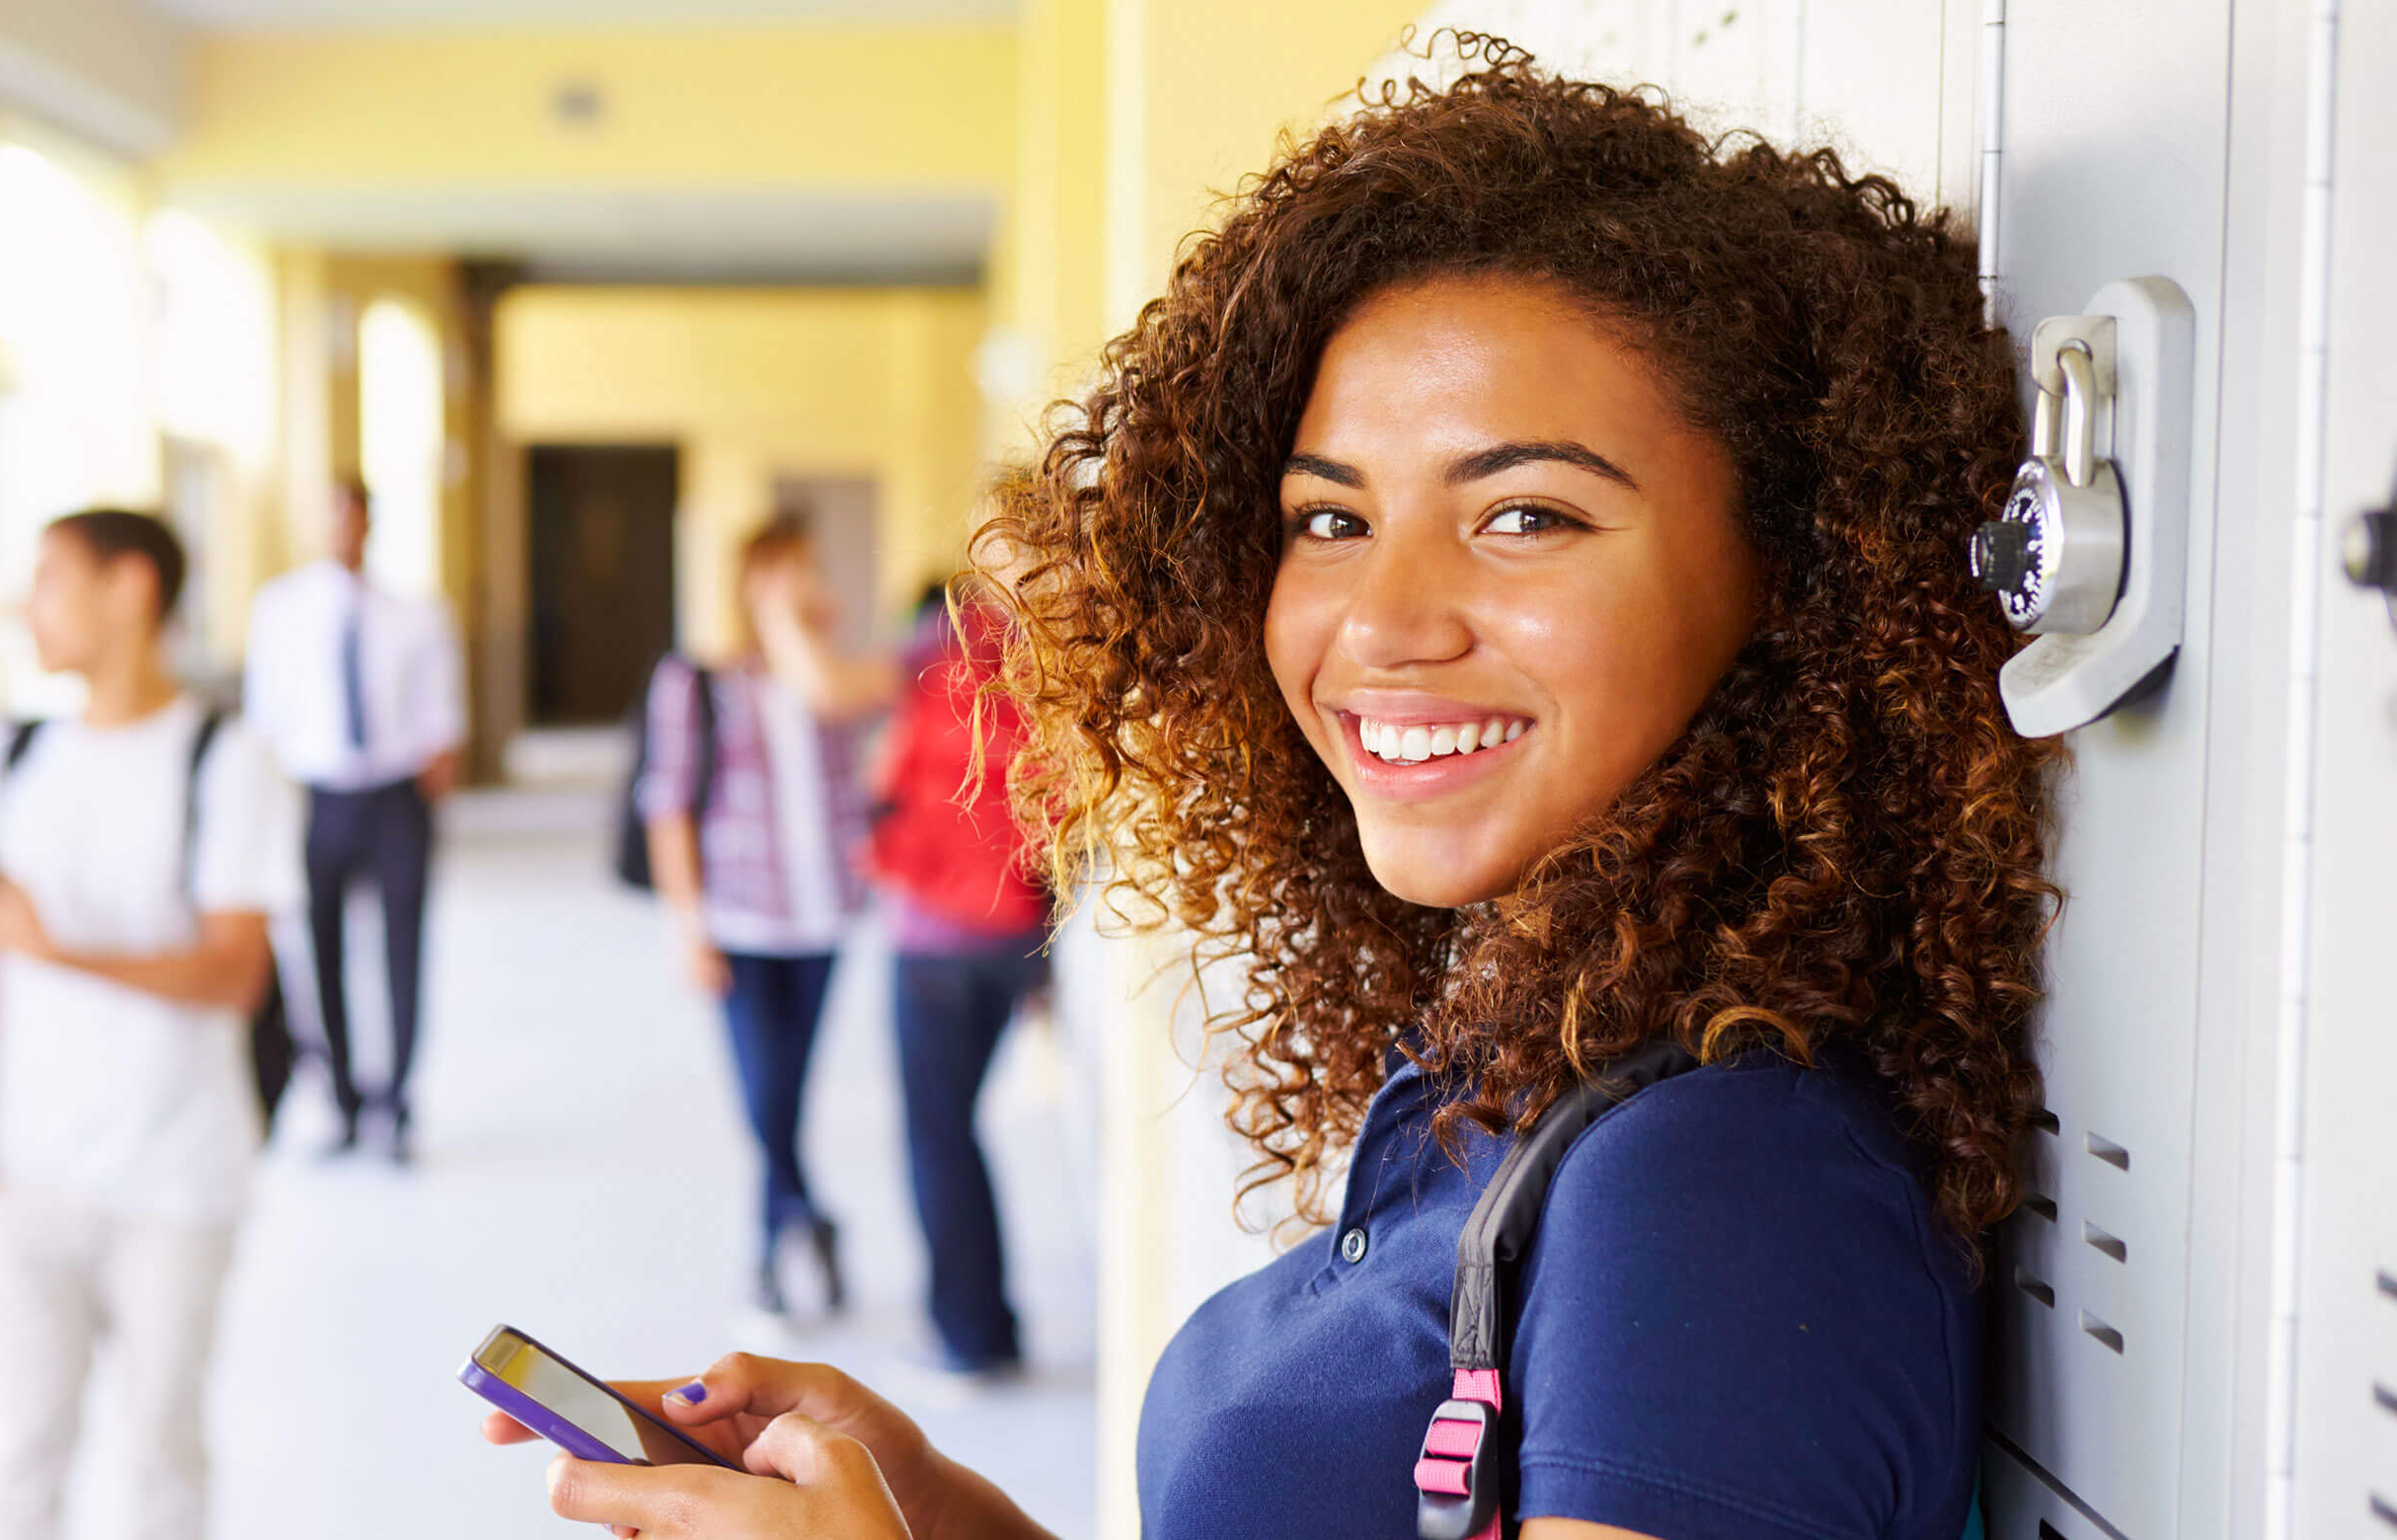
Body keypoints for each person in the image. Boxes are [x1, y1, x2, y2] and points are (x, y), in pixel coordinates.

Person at [482, 37, 2054, 1540]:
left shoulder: (1723, 1190)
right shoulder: (1523, 1049)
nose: (1382, 623)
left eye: (1525, 516)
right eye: (1329, 521)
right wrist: (937, 1517)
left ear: (1801, 574)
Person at [0, 509, 300, 1540]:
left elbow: (234, 973)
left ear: (131, 589)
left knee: (161, 1451)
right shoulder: (3, 756)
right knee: (21, 1451)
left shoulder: (229, 759)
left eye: (48, 578)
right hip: (26, 1170)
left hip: (176, 1176)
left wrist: (60, 954)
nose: (23, 605)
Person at [640, 513, 897, 1318]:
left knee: (785, 1097)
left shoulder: (831, 679)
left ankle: (782, 1240)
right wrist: (689, 930)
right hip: (741, 926)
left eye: (809, 570)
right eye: (785, 570)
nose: (803, 585)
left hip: (823, 921)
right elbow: (668, 808)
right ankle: (799, 1225)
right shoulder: (697, 683)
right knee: (766, 1100)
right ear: (749, 584)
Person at [244, 476, 465, 1165]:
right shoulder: (279, 611)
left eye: (353, 516)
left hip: (394, 794)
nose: (342, 529)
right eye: (330, 516)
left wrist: (434, 778)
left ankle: (396, 1100)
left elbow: (443, 716)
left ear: (370, 524)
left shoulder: (416, 614)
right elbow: (264, 718)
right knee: (322, 951)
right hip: (317, 796)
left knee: (402, 948)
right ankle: (341, 1098)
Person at [866, 573, 1050, 1380]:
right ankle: (991, 1320)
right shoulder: (1042, 666)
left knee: (938, 1139)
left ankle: (969, 1334)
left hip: (933, 940)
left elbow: (872, 760)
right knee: (960, 1131)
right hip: (1011, 936)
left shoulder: (931, 659)